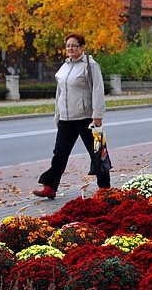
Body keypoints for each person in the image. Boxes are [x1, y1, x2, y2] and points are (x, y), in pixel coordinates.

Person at [33, 32, 110, 199]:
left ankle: (105, 189)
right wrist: (58, 115)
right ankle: (50, 187)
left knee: (97, 151)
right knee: (59, 153)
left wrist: (97, 114)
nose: (70, 48)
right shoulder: (65, 67)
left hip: (86, 117)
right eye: (67, 45)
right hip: (66, 119)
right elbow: (59, 93)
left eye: (73, 45)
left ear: (81, 47)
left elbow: (98, 89)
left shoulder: (90, 65)